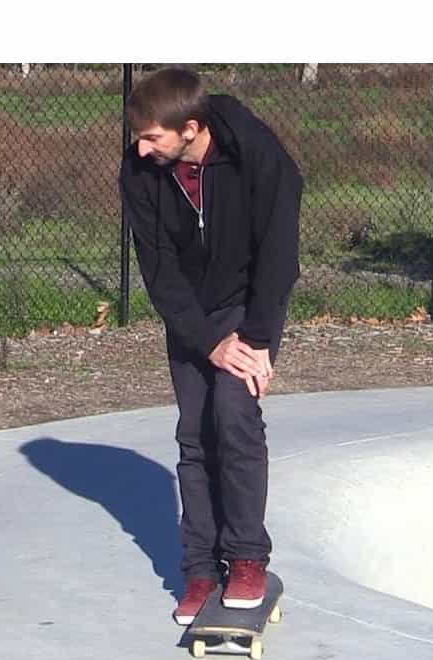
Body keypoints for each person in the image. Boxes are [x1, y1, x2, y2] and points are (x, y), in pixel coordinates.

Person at [118, 67, 302, 624]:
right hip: (192, 312)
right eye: (138, 137)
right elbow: (159, 271)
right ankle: (200, 568)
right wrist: (205, 339)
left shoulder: (254, 154)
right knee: (195, 432)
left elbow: (278, 251)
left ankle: (246, 557)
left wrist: (259, 339)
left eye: (152, 137)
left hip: (247, 303)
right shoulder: (140, 172)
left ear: (191, 129)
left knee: (234, 414)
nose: (141, 149)